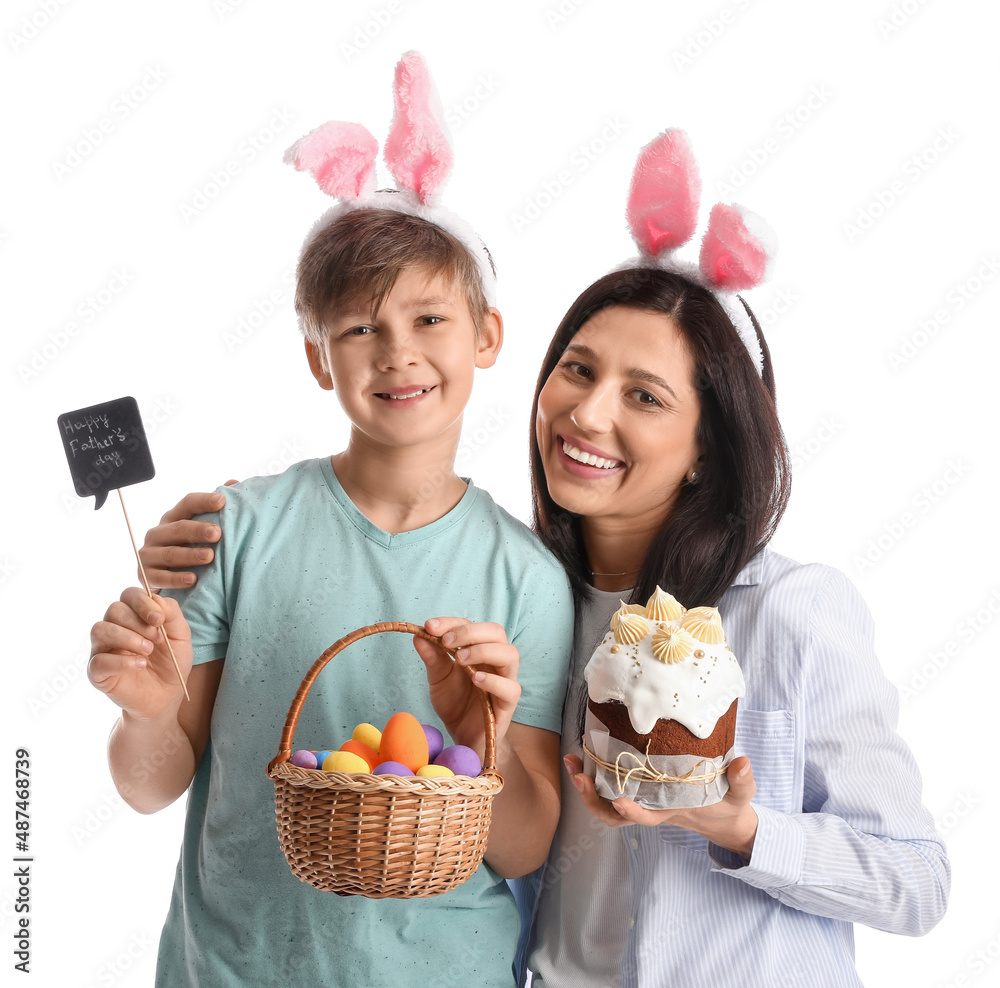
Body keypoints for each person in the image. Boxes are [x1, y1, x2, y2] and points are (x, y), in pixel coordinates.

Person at [142, 130, 950, 986]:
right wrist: (249, 535)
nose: (588, 415)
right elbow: (514, 841)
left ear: (706, 446)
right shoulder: (530, 594)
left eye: (644, 396)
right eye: (577, 369)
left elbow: (919, 884)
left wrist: (737, 828)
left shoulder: (786, 609)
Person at [87, 54, 573, 988]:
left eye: (431, 319)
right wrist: (145, 710)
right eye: (360, 329)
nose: (399, 354)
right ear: (319, 358)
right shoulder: (236, 529)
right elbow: (148, 783)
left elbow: (519, 851)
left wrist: (489, 742)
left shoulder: (527, 580)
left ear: (487, 336)